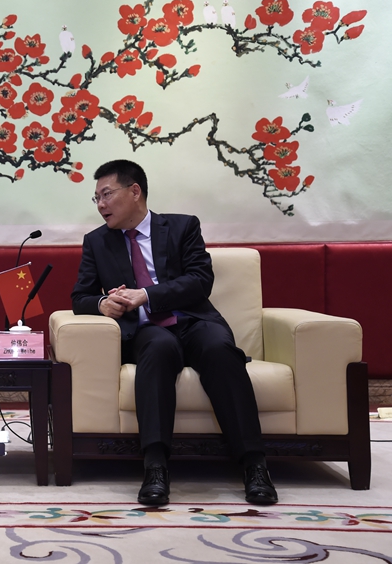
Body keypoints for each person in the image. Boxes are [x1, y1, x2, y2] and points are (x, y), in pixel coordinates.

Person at [71, 159, 278, 506]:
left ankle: (254, 465)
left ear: (134, 191)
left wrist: (147, 294)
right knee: (158, 348)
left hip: (193, 320)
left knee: (218, 349)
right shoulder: (97, 242)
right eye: (97, 198)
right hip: (146, 330)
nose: (101, 205)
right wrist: (103, 303)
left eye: (106, 194)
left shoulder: (182, 227)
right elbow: (80, 297)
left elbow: (200, 280)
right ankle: (155, 467)